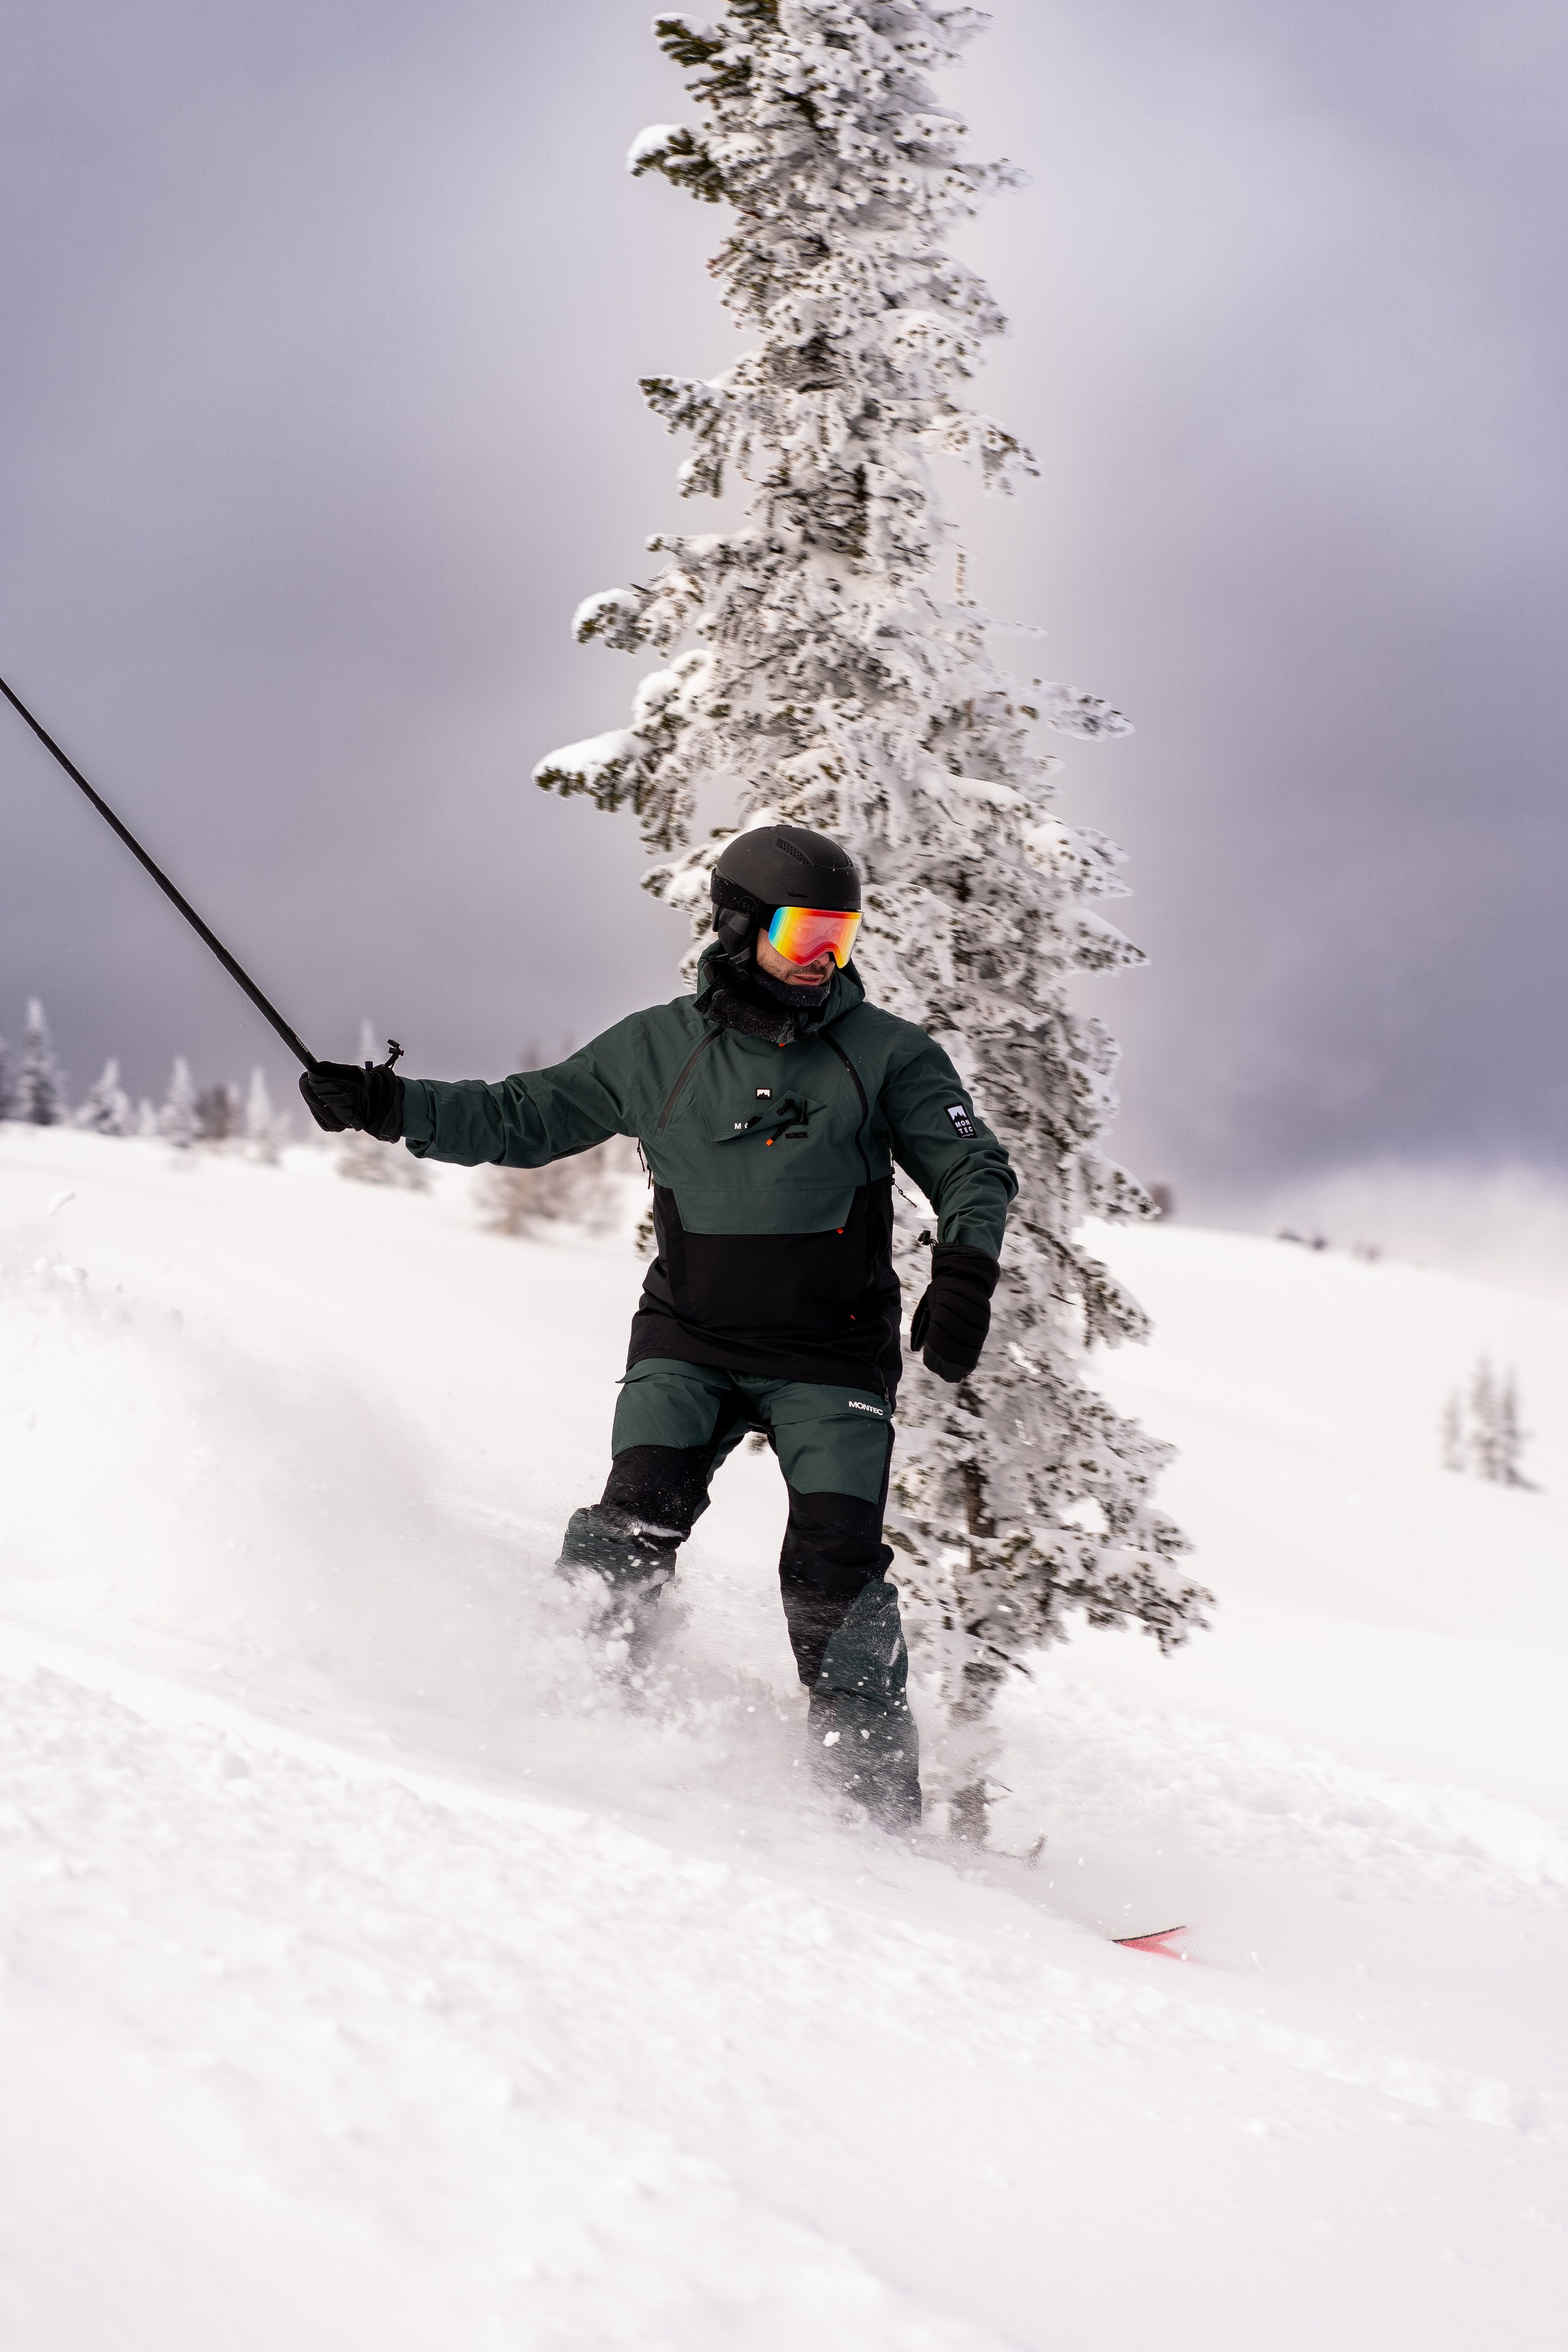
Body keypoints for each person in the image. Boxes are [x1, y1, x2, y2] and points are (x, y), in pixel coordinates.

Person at [300, 824, 1015, 1824]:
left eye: (841, 939)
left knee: (830, 1574)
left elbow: (974, 1167)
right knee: (632, 1518)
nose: (826, 961)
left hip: (830, 1354)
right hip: (692, 1341)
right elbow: (522, 1116)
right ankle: (575, 1725)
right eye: (806, 935)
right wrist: (387, 1103)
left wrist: (967, 1265)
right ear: (737, 926)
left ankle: (874, 1820)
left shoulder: (886, 1055)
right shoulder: (658, 1050)